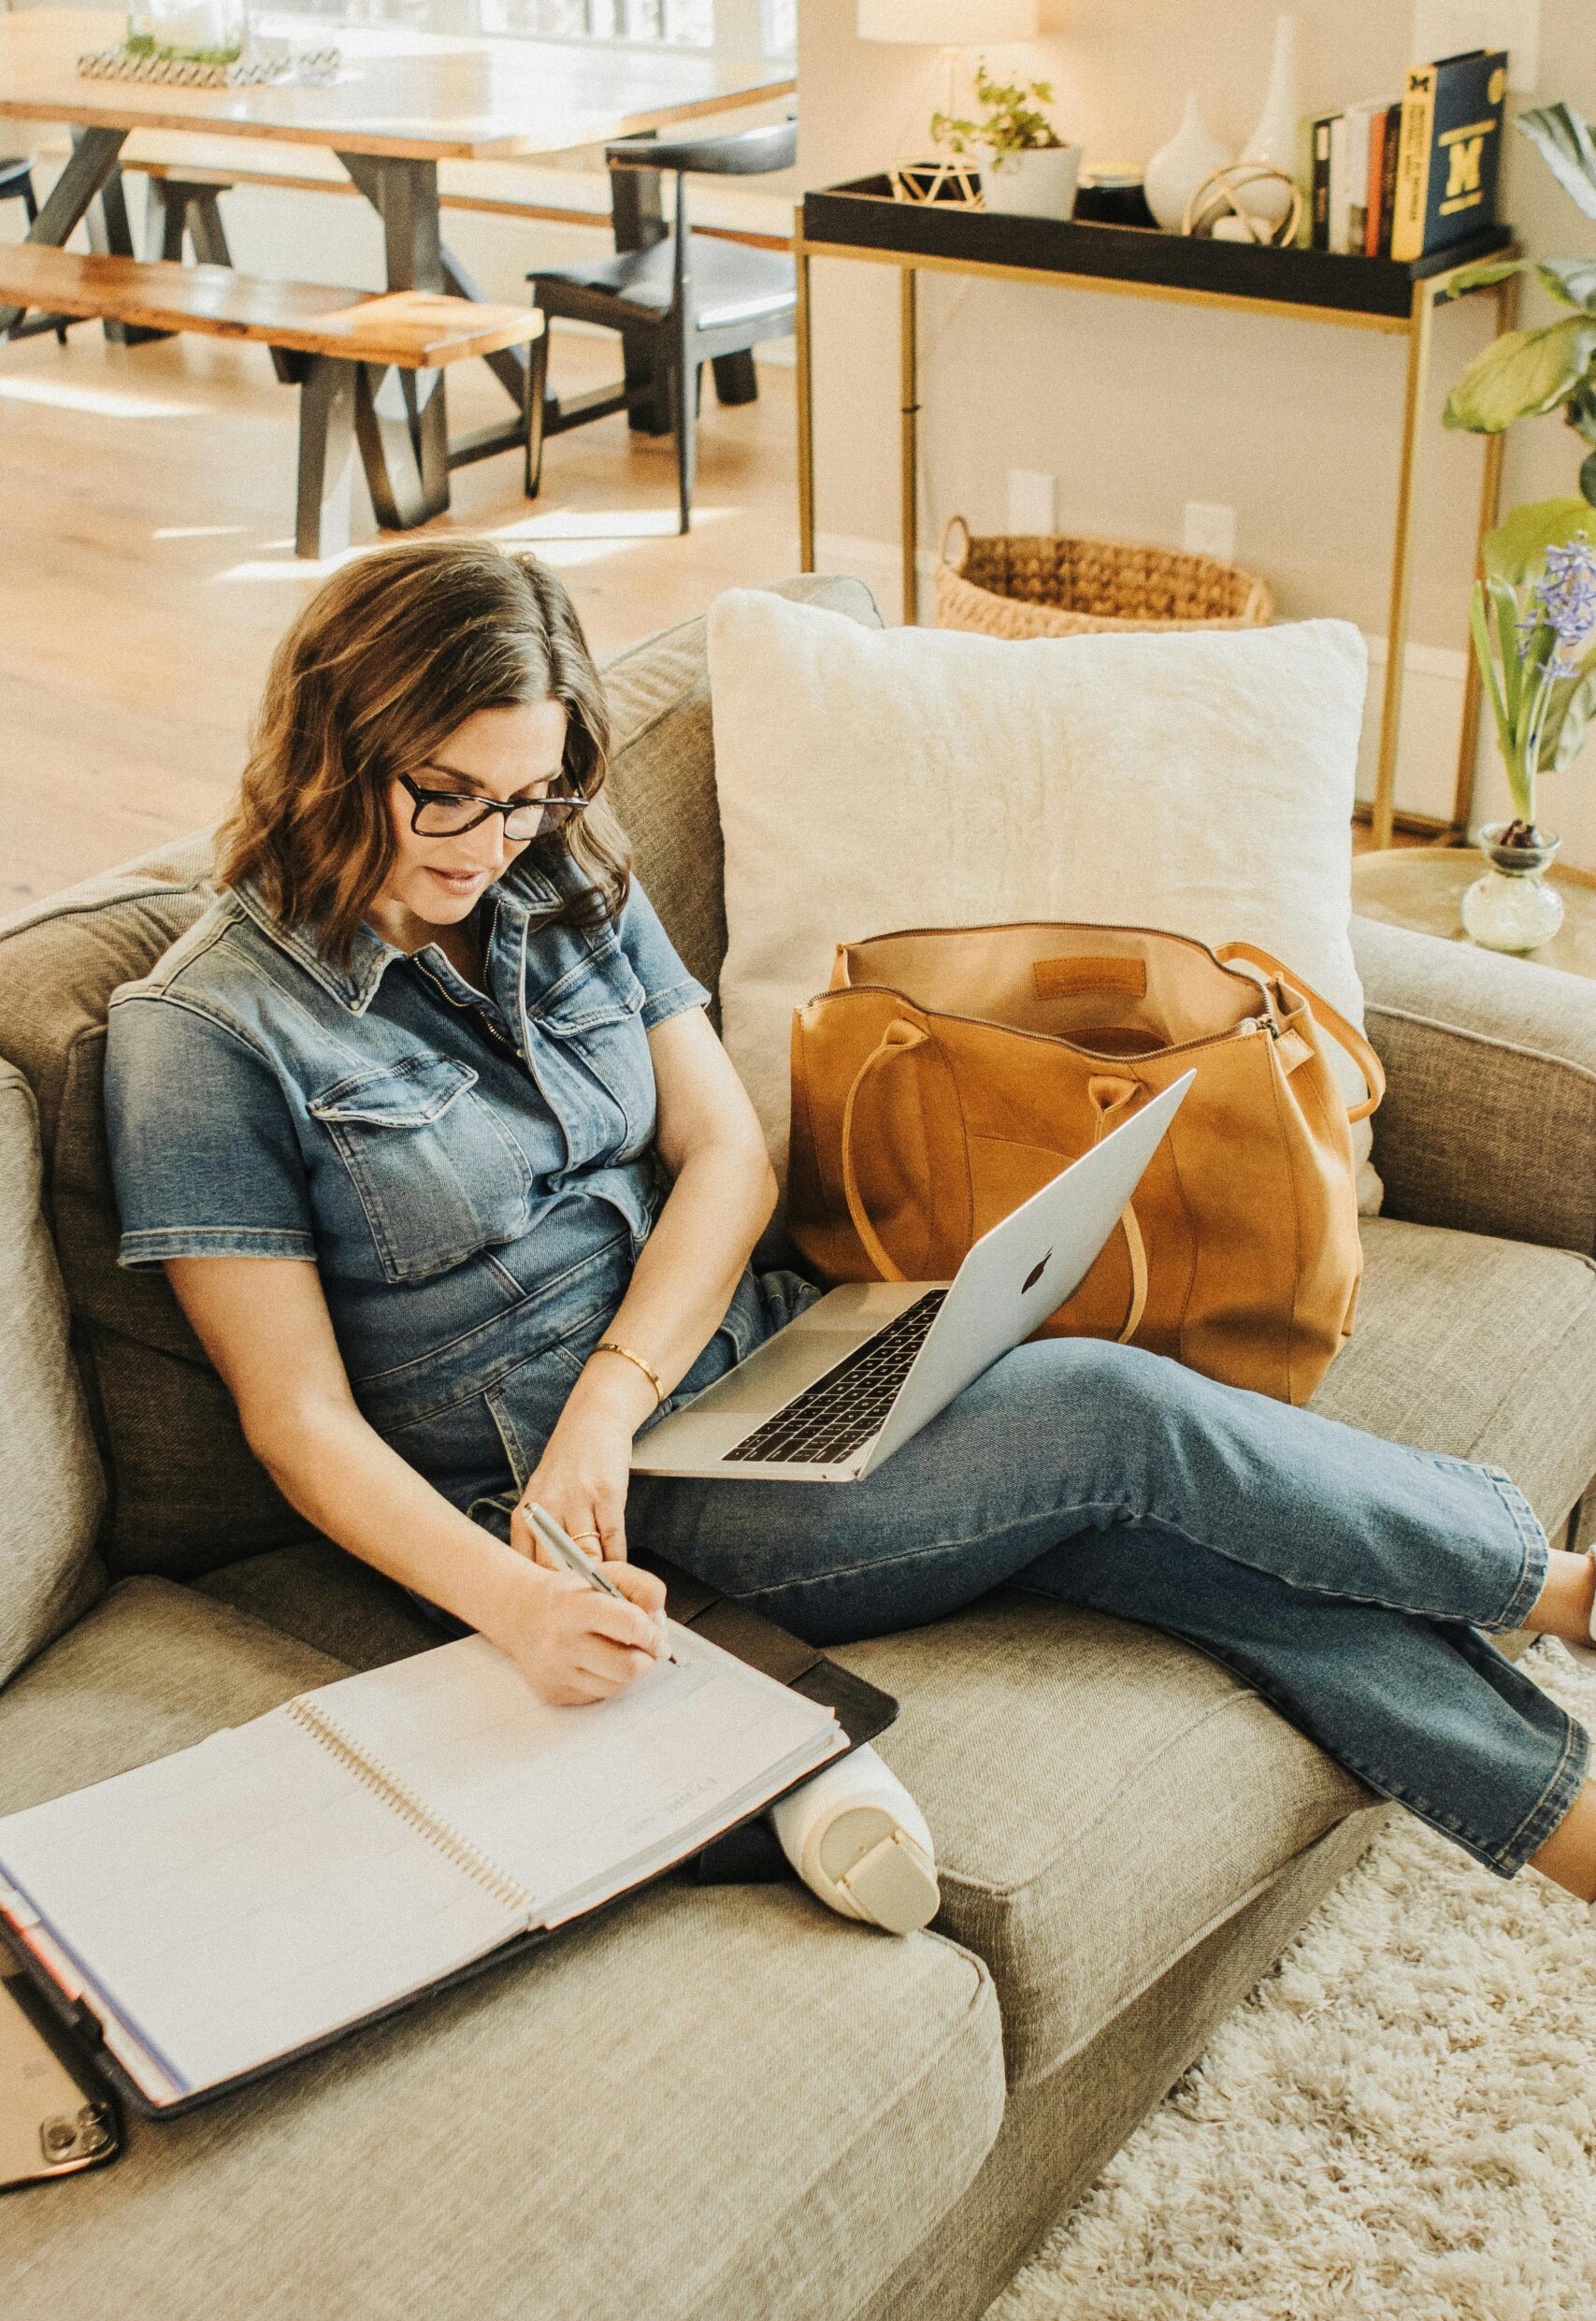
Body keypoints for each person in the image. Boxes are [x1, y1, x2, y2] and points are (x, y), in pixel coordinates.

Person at [104, 540, 1596, 1908]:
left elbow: (727, 1160)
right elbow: (297, 1422)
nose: (490, 843)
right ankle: (1566, 1591)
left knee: (1192, 1559)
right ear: (330, 746)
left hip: (750, 1361)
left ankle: (1574, 1826)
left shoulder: (558, 867)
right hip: (596, 1513)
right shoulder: (202, 1035)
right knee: (1119, 1421)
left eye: (527, 796)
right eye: (449, 793)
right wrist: (514, 1600)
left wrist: (616, 1396)